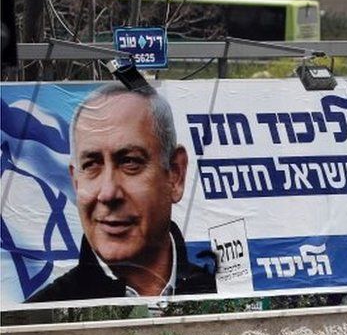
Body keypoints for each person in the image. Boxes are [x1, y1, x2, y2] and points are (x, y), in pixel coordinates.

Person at [28, 83, 216, 302]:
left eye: (130, 162)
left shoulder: (226, 298)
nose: (108, 193)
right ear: (76, 182)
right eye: (91, 165)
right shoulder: (40, 314)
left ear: (175, 175)